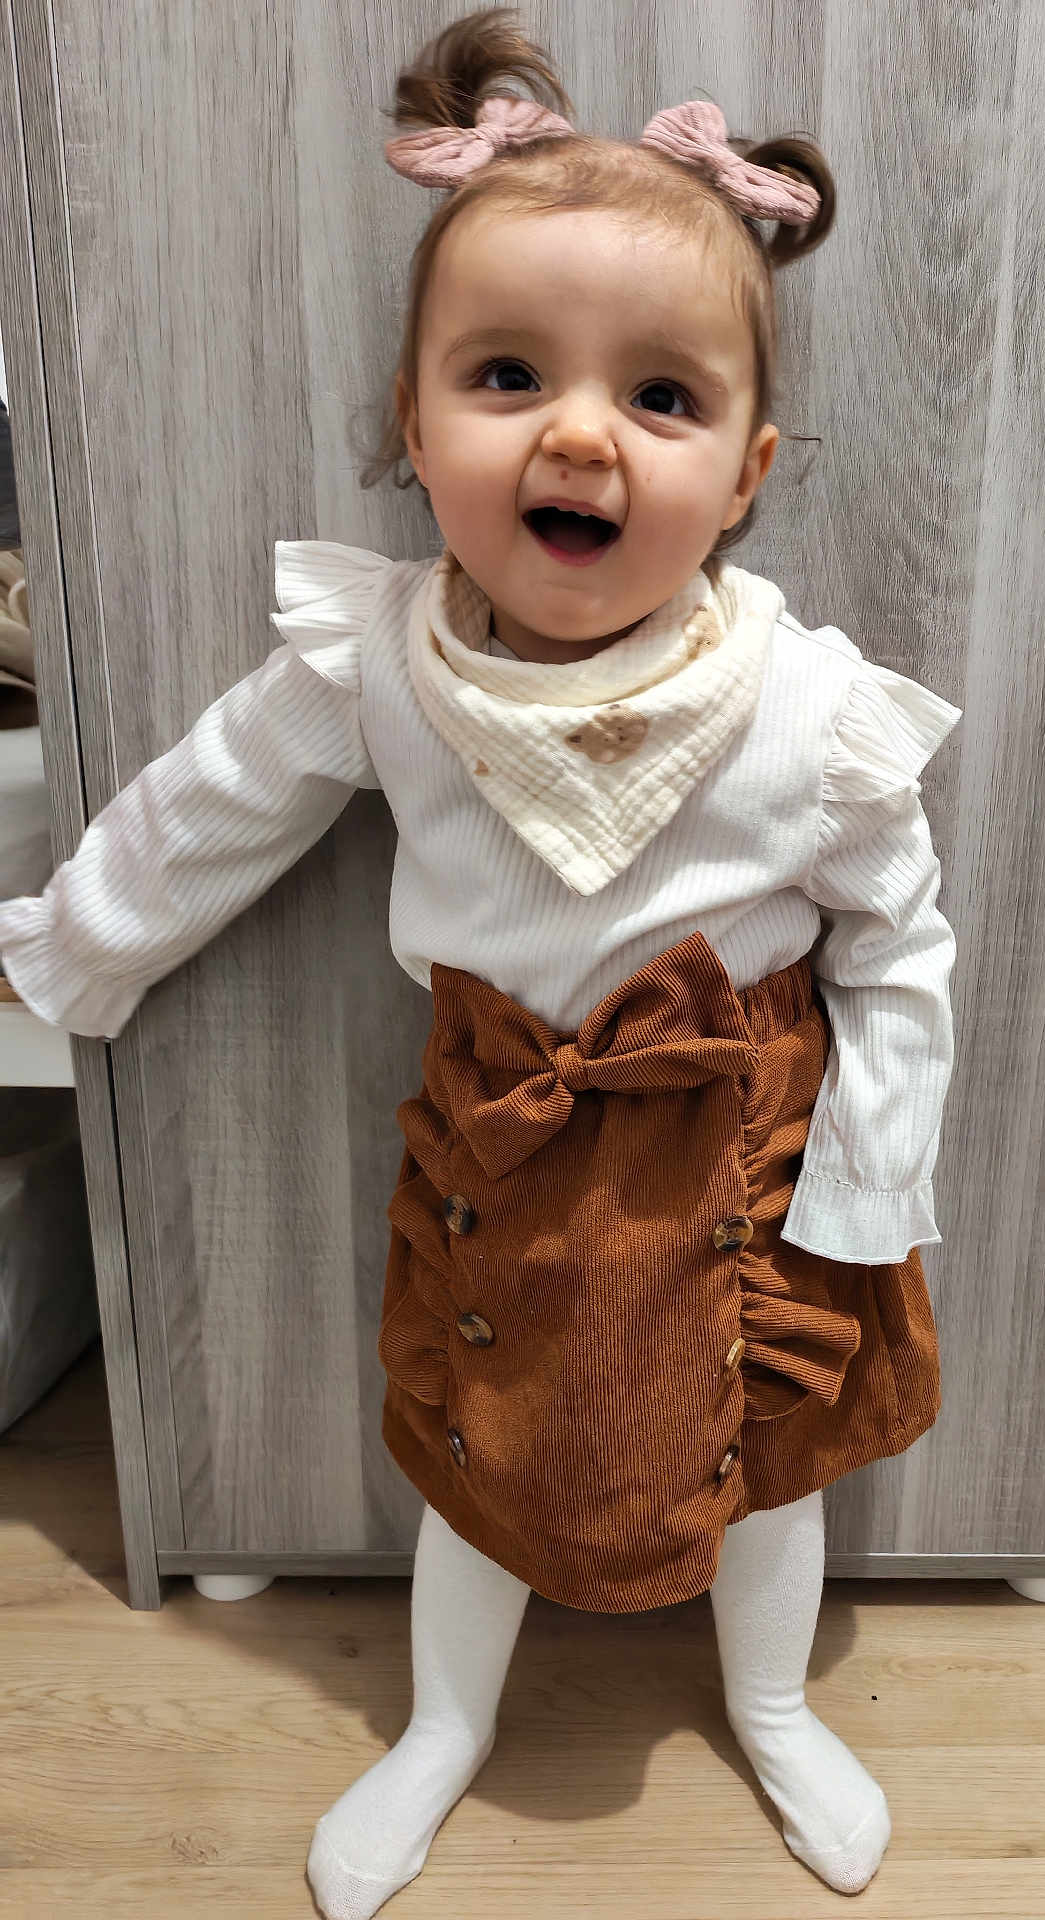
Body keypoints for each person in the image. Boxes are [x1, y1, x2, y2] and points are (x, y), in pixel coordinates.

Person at [0, 9, 962, 1912]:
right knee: (479, 1442)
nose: (583, 434)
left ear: (751, 469)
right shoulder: (376, 667)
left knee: (765, 1451)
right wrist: (65, 955)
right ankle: (444, 1726)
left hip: (742, 1156)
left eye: (662, 402)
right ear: (413, 428)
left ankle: (768, 1702)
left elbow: (900, 946)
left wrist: (869, 1184)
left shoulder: (811, 709)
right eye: (508, 374)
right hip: (501, 1140)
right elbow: (207, 810)